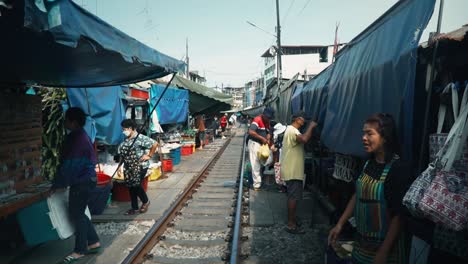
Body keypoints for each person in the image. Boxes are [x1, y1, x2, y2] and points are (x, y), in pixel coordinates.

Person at [328, 113, 411, 264]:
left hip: (386, 251)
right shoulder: (366, 164)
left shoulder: (397, 169)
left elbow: (399, 216)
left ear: (385, 137)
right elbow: (357, 195)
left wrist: (383, 252)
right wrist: (340, 224)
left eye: (369, 133)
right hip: (361, 246)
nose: (363, 137)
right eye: (363, 133)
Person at [51, 107, 100, 263]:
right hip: (86, 179)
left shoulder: (77, 139)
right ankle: (93, 242)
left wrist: (59, 183)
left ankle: (80, 250)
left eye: (66, 120)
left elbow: (71, 165)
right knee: (79, 212)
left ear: (73, 122)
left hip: (82, 181)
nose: (64, 122)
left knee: (76, 214)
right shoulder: (78, 136)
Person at [280, 111, 317, 234]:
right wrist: (311, 126)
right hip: (293, 170)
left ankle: (293, 220)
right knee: (293, 197)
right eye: (302, 119)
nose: (304, 121)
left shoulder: (290, 130)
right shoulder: (292, 130)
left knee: (293, 196)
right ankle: (291, 224)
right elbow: (305, 139)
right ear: (296, 119)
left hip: (292, 169)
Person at [118, 119, 158, 215]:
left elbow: (155, 144)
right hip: (128, 167)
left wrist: (149, 156)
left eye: (124, 129)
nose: (123, 131)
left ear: (131, 129)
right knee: (131, 187)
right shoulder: (126, 139)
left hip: (140, 166)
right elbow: (122, 154)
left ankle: (145, 201)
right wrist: (119, 166)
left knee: (136, 184)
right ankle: (134, 208)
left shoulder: (140, 138)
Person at [247, 107, 275, 190]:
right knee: (255, 164)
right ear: (263, 115)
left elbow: (269, 132)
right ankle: (257, 185)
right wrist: (262, 138)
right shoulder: (257, 119)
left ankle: (259, 180)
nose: (268, 119)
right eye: (267, 117)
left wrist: (268, 138)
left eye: (269, 118)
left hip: (262, 145)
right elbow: (251, 131)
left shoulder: (268, 122)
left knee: (267, 160)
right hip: (254, 143)